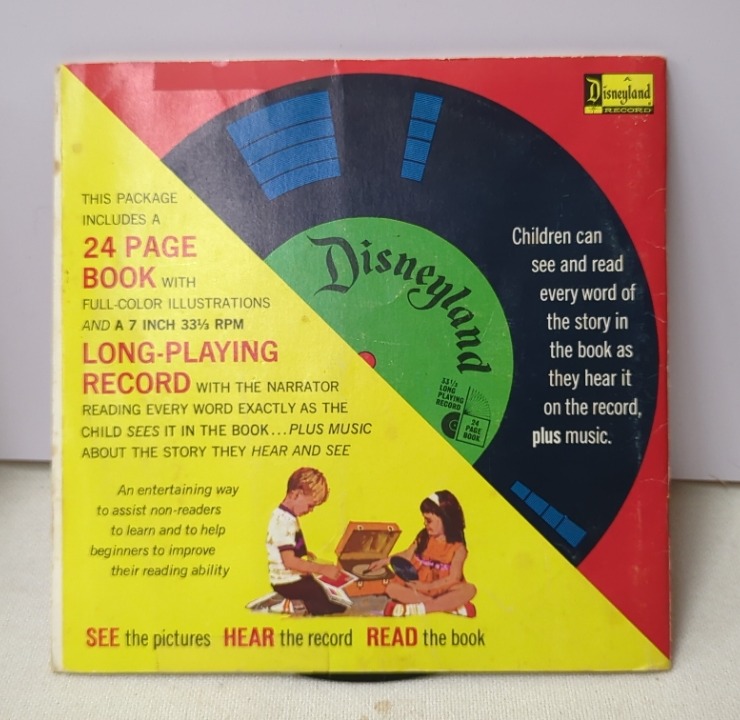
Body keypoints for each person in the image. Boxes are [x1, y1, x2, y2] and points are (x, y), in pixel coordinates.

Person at [369, 490, 477, 617]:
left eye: (429, 520)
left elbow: (453, 578)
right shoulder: (423, 537)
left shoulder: (459, 548)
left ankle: (415, 609)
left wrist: (427, 587)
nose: (425, 523)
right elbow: (407, 555)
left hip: (444, 588)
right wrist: (385, 561)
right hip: (418, 587)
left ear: (445, 519)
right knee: (391, 588)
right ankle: (449, 607)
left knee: (470, 589)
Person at [266, 467, 346, 615]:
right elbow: (289, 561)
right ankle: (290, 605)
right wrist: (322, 569)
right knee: (326, 606)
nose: (311, 510)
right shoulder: (283, 521)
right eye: (311, 505)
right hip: (287, 582)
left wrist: (305, 553)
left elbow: (288, 548)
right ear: (296, 494)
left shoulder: (288, 517)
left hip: (295, 577)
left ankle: (295, 603)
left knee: (333, 601)